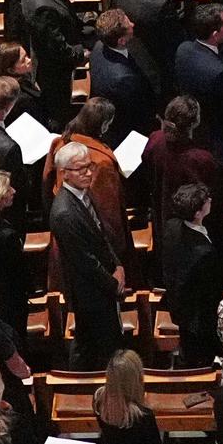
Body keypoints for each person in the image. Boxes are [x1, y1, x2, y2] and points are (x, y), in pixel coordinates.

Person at [50, 141, 129, 367]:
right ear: (64, 174)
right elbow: (84, 260)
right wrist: (113, 283)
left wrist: (118, 265)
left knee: (97, 342)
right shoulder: (64, 212)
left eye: (89, 166)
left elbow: (101, 234)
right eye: (80, 169)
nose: (88, 173)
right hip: (88, 291)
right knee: (93, 347)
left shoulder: (83, 194)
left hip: (103, 282)